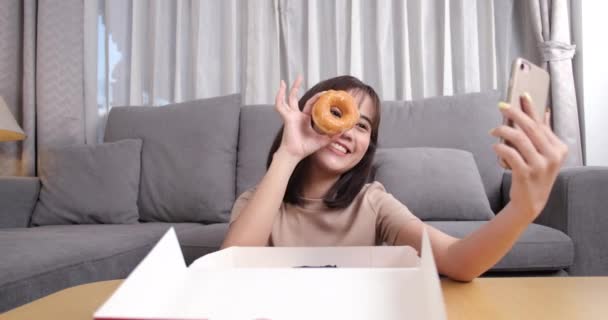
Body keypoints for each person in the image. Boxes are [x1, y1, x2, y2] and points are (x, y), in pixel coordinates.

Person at [221, 75, 568, 282]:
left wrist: (523, 209)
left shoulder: (372, 202)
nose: (347, 132)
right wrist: (290, 152)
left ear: (367, 147)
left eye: (362, 126)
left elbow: (458, 261)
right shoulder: (258, 202)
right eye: (340, 116)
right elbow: (230, 266)